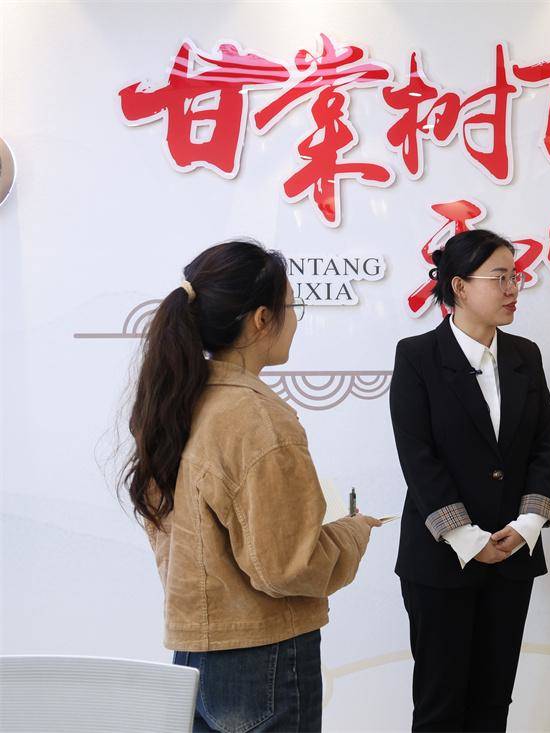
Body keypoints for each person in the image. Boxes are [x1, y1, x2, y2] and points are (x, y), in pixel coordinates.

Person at [122, 239, 381, 732]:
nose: (295, 321)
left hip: (194, 655)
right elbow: (287, 567)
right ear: (262, 319)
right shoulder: (256, 417)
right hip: (265, 656)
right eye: (291, 308)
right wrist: (354, 531)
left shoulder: (174, 403)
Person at [389, 229, 550, 731]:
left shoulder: (525, 355)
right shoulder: (418, 356)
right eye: (499, 278)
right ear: (459, 287)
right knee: (440, 706)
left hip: (511, 555)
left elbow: (543, 445)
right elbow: (417, 457)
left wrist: (528, 525)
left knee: (493, 703)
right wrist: (466, 537)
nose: (513, 289)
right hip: (440, 560)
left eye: (516, 277)